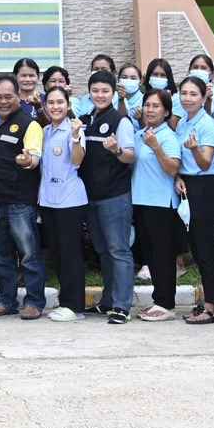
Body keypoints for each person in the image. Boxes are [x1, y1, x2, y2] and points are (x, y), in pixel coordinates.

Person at [0, 74, 46, 319]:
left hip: (20, 201)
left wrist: (27, 160)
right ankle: (6, 301)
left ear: (19, 96)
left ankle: (34, 302)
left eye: (8, 96)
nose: (3, 101)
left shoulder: (30, 124)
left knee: (29, 255)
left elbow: (34, 157)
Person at [82, 69, 136, 323]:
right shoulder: (86, 119)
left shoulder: (120, 120)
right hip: (91, 196)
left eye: (105, 91)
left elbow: (130, 156)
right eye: (95, 91)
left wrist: (116, 150)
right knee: (103, 251)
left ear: (113, 93)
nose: (100, 95)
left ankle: (122, 306)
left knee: (118, 250)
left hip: (114, 196)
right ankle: (107, 301)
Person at [173, 75, 214, 324]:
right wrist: (178, 176)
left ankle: (213, 306)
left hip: (205, 187)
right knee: (196, 247)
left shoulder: (207, 124)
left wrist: (194, 148)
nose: (188, 98)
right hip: (188, 184)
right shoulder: (183, 122)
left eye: (193, 94)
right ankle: (207, 302)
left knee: (205, 248)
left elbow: (205, 163)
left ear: (204, 98)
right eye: (184, 93)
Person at [131, 87, 182, 321]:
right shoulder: (141, 133)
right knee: (151, 255)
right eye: (147, 105)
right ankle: (158, 299)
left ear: (166, 111)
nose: (150, 110)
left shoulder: (167, 136)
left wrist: (156, 147)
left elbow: (173, 168)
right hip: (141, 200)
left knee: (163, 255)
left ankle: (166, 303)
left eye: (156, 106)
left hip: (161, 203)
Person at [37, 85, 87, 321]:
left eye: (60, 102)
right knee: (56, 253)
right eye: (51, 103)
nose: (55, 107)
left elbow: (77, 161)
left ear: (68, 105)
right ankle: (65, 300)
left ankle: (74, 306)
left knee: (70, 254)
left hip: (69, 200)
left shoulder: (74, 129)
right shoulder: (45, 131)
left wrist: (75, 137)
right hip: (49, 200)